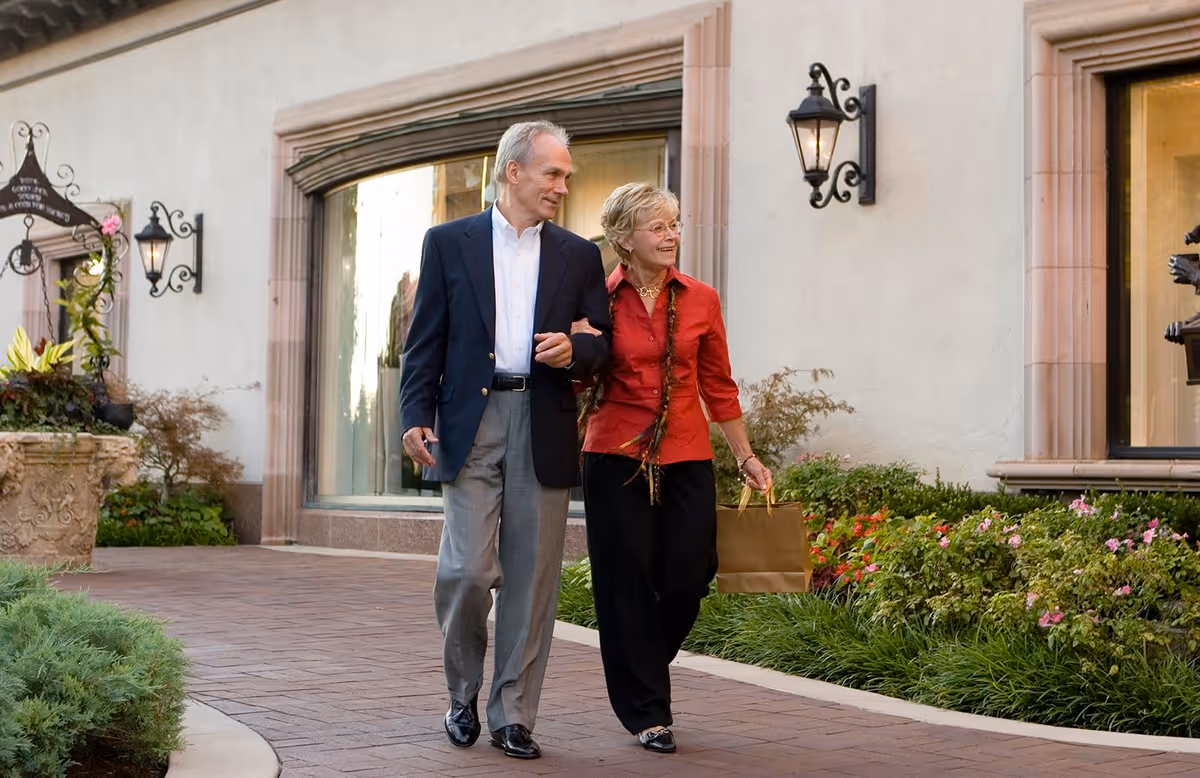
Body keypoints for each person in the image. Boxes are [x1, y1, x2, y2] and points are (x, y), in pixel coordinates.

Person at [398, 120, 612, 760]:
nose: (562, 186)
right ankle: (461, 694)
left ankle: (513, 714)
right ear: (512, 171)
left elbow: (603, 343)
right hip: (471, 422)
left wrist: (576, 348)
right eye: (553, 173)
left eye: (566, 175)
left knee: (532, 578)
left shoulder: (579, 253)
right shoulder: (448, 242)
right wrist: (414, 412)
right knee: (466, 571)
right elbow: (424, 340)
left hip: (542, 418)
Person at [574, 183, 771, 754]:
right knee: (625, 578)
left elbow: (718, 384)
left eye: (675, 224)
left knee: (691, 570)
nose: (671, 235)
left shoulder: (702, 299)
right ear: (623, 238)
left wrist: (746, 456)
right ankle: (647, 712)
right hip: (614, 453)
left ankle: (637, 662)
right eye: (656, 226)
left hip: (686, 451)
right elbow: (580, 379)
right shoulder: (598, 302)